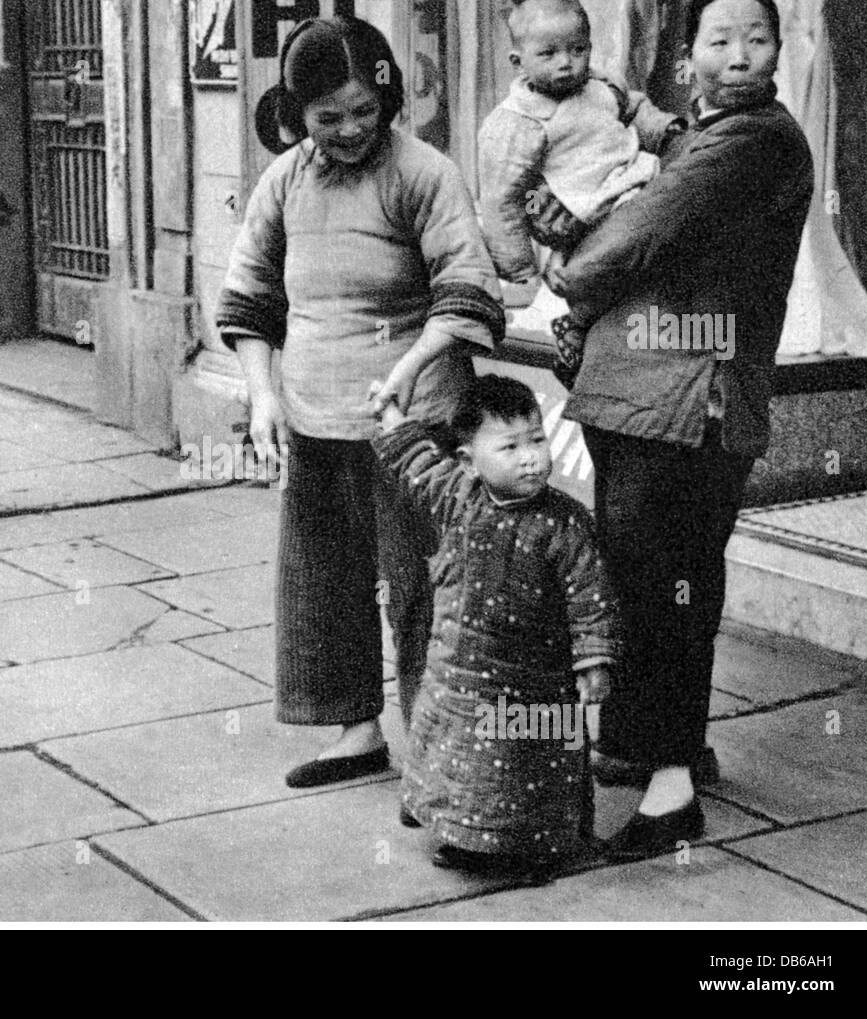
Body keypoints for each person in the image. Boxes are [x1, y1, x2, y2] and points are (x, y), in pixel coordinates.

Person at [547, 0, 814, 860]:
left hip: (687, 404)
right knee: (655, 579)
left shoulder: (757, 141)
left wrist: (573, 286)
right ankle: (652, 744)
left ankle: (670, 792)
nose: (740, 55)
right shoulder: (697, 134)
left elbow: (641, 236)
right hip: (639, 397)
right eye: (720, 39)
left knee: (665, 586)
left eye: (758, 38)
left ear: (780, 48)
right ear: (688, 55)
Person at [216, 16, 506, 790]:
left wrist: (412, 364)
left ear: (389, 98)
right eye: (326, 116)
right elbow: (249, 298)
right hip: (316, 417)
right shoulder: (285, 181)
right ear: (296, 111)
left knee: (425, 587)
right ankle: (355, 731)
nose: (348, 130)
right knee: (325, 580)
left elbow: (468, 287)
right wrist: (262, 396)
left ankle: (445, 755)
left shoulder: (425, 173)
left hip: (413, 425)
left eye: (363, 111)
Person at [371, 374, 618, 882]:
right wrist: (392, 417)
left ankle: (527, 850)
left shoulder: (564, 523)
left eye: (537, 439)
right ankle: (461, 833)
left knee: (525, 769)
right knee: (457, 754)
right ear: (468, 460)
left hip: (532, 679)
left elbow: (589, 595)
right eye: (509, 446)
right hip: (457, 669)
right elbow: (417, 464)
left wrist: (593, 658)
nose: (530, 456)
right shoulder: (457, 497)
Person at [477, 0, 685, 385]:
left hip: (632, 180)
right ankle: (576, 328)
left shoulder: (601, 86)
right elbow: (500, 200)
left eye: (578, 49)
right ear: (517, 60)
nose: (566, 62)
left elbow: (633, 109)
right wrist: (520, 270)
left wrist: (663, 128)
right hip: (584, 207)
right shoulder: (518, 120)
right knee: (602, 267)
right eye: (548, 53)